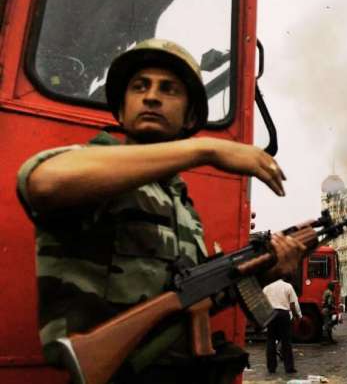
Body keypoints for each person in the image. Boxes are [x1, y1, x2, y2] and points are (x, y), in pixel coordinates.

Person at [16, 39, 307, 384]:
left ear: (190, 116)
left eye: (168, 89)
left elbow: (199, 298)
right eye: (140, 87)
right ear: (121, 111)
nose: (151, 96)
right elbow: (44, 183)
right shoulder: (94, 169)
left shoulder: (182, 206)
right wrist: (206, 149)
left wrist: (269, 268)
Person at [262, 277, 301, 374]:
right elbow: (292, 305)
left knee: (270, 341)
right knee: (286, 342)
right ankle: (289, 368)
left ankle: (271, 367)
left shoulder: (267, 288)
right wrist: (296, 316)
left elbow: (263, 304)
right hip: (283, 314)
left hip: (271, 314)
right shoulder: (288, 286)